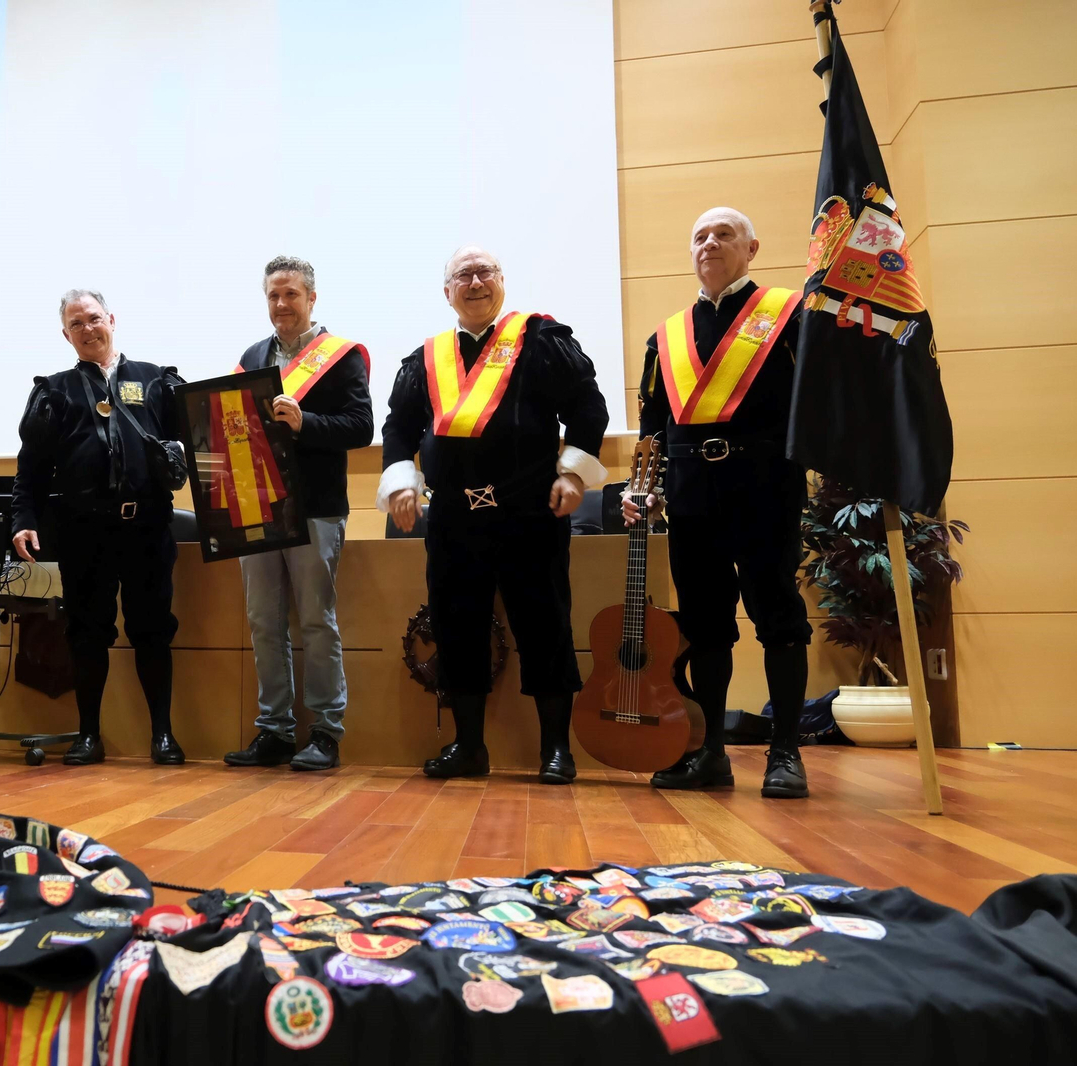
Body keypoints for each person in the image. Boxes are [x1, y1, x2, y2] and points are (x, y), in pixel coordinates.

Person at [379, 246, 608, 782]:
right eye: (463, 274)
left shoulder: (542, 342)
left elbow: (588, 407)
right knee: (456, 629)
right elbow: (397, 428)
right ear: (447, 292)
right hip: (455, 519)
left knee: (544, 625)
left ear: (502, 282)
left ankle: (556, 750)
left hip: (530, 512)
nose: (475, 281)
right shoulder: (425, 358)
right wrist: (400, 484)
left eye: (485, 272)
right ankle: (469, 748)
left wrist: (572, 474)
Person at [623, 207, 812, 799]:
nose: (711, 243)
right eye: (700, 236)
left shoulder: (789, 317)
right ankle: (710, 754)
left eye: (724, 234)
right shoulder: (667, 336)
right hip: (689, 494)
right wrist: (642, 489)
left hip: (764, 485)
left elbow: (818, 398)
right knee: (705, 627)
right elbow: (653, 423)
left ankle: (785, 751)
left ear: (752, 247)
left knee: (777, 616)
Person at [10, 290, 186, 766]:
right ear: (65, 334)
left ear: (112, 318)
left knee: (153, 630)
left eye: (93, 318)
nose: (87, 329)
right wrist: (23, 518)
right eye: (76, 323)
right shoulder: (54, 390)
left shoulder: (156, 381)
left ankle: (163, 736)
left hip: (148, 527)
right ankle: (89, 735)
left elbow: (200, 443)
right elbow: (31, 466)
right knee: (87, 633)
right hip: (84, 532)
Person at [223, 257, 372, 772]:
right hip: (257, 508)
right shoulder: (251, 356)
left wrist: (306, 421)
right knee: (265, 622)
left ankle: (326, 732)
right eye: (273, 296)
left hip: (317, 509)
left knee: (314, 621)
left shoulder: (342, 357)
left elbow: (359, 427)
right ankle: (276, 732)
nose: (281, 305)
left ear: (311, 298)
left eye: (290, 295)